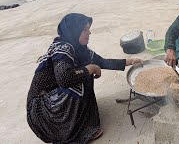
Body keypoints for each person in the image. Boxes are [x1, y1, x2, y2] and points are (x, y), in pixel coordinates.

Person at [26, 13, 142, 143]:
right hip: (42, 112)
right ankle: (72, 131)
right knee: (81, 78)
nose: (89, 33)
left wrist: (130, 61)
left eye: (89, 29)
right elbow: (64, 78)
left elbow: (102, 62)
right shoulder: (62, 48)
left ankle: (81, 121)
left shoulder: (80, 49)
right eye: (85, 29)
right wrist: (90, 68)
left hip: (53, 101)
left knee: (84, 73)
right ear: (74, 31)